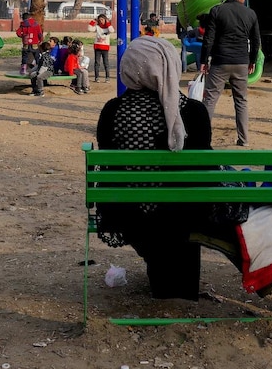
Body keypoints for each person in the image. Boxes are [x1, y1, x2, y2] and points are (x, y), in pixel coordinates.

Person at [95, 36, 247, 300]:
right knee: (220, 182)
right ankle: (182, 285)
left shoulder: (113, 111)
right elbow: (204, 167)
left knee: (163, 203)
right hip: (186, 212)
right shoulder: (193, 112)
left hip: (127, 213)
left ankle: (163, 278)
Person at [200, 0, 261, 147]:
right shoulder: (250, 13)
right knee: (241, 100)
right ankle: (244, 139)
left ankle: (202, 138)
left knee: (210, 99)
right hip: (241, 62)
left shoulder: (217, 10)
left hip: (220, 62)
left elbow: (209, 39)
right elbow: (256, 41)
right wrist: (252, 60)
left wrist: (204, 61)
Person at [88, 13, 114, 83]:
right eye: (99, 20)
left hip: (105, 47)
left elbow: (112, 30)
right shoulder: (97, 27)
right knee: (97, 62)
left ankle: (107, 77)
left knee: (106, 63)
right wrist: (94, 20)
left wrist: (108, 23)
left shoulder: (108, 27)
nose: (101, 21)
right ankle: (97, 77)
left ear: (105, 19)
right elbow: (90, 29)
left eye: (102, 20)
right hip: (97, 46)